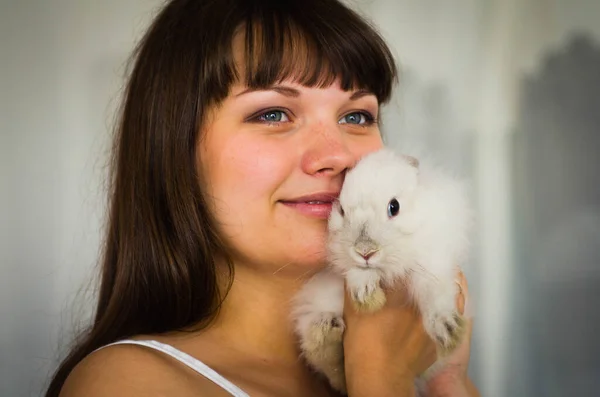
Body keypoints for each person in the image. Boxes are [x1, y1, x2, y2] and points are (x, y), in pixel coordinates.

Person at [46, 0, 480, 396]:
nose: (336, 156)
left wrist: (446, 382)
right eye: (273, 113)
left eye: (356, 115)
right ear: (174, 149)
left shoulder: (427, 365)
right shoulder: (125, 384)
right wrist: (380, 373)